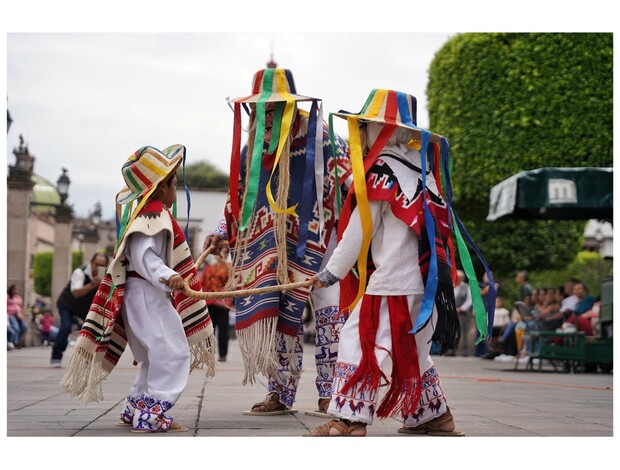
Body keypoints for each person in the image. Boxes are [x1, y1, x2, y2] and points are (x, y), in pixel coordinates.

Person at [305, 89, 494, 437]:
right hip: (428, 286)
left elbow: (360, 231)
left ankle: (349, 420)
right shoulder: (425, 174)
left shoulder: (381, 170)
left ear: (385, 131)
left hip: (393, 283)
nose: (360, 133)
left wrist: (330, 273)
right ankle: (433, 416)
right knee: (414, 351)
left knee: (358, 341)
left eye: (367, 126)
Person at [202, 68, 351, 416]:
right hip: (274, 248)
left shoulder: (322, 139)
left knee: (331, 316)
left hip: (321, 242)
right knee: (281, 318)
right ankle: (280, 392)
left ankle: (331, 392)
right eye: (259, 110)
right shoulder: (252, 152)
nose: (265, 116)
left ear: (289, 107)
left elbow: (349, 180)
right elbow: (240, 199)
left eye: (273, 109)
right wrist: (223, 231)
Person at [60, 145, 216, 433]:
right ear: (162, 187)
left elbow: (143, 257)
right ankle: (152, 414)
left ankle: (136, 407)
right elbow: (146, 258)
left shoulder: (144, 215)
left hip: (140, 293)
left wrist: (165, 276)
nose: (175, 190)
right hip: (147, 293)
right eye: (173, 183)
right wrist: (169, 276)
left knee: (150, 355)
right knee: (172, 352)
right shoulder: (152, 217)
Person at [50, 252, 109, 367]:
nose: (98, 268)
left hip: (85, 308)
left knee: (94, 329)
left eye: (102, 266)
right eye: (97, 264)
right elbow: (76, 292)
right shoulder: (79, 272)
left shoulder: (107, 276)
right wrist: (92, 285)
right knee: (66, 327)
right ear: (91, 263)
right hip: (67, 304)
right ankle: (56, 357)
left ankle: (87, 356)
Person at [200, 255, 233, 362]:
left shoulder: (229, 267)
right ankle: (208, 352)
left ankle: (223, 354)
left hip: (223, 303)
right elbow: (202, 283)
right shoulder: (208, 268)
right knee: (209, 330)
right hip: (209, 302)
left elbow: (232, 284)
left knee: (223, 330)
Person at [452, 270, 473, 357]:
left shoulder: (466, 287)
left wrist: (462, 308)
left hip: (462, 312)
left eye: (460, 277)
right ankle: (450, 350)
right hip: (451, 311)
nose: (458, 278)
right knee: (451, 331)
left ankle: (464, 351)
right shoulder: (450, 285)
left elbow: (470, 299)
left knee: (462, 332)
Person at [7, 284, 28, 349]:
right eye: (14, 289)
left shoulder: (18, 298)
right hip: (10, 314)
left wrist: (21, 314)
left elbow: (20, 307)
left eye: (17, 289)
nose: (16, 291)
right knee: (15, 327)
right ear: (11, 290)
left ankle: (16, 340)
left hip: (18, 314)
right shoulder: (7, 297)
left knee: (25, 327)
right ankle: (13, 342)